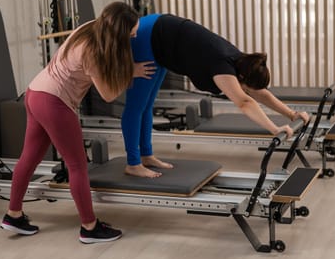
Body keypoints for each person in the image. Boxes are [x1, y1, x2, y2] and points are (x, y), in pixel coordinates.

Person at [0, 1, 140, 244]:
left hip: (35, 92)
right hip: (54, 102)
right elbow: (107, 95)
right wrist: (131, 73)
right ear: (118, 32)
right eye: (131, 32)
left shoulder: (90, 28)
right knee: (77, 165)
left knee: (29, 157)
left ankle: (13, 214)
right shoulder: (93, 51)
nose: (134, 35)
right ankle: (89, 227)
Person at [122, 13, 310, 178]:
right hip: (148, 36)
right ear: (242, 78)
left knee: (147, 106)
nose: (245, 90)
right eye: (246, 86)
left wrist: (291, 114)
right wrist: (274, 129)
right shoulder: (223, 67)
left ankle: (146, 156)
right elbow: (245, 102)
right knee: (136, 106)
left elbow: (260, 93)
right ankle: (133, 164)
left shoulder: (242, 63)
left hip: (163, 40)